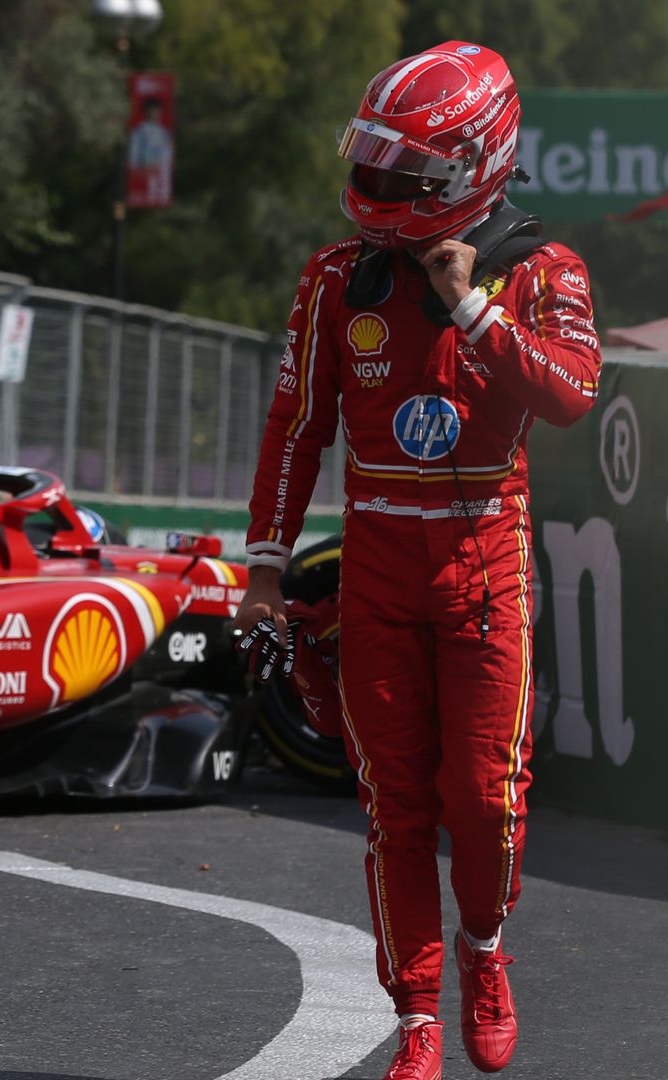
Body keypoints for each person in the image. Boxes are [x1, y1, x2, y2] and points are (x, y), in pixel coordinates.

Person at [231, 42, 601, 1080]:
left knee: (484, 797)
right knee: (396, 804)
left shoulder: (543, 270)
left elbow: (572, 395)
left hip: (489, 560)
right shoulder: (335, 281)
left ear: (471, 168)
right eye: (374, 166)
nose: (378, 190)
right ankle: (418, 1021)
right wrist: (265, 567)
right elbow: (295, 426)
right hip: (378, 567)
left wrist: (475, 310)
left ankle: (485, 952)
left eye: (405, 175)